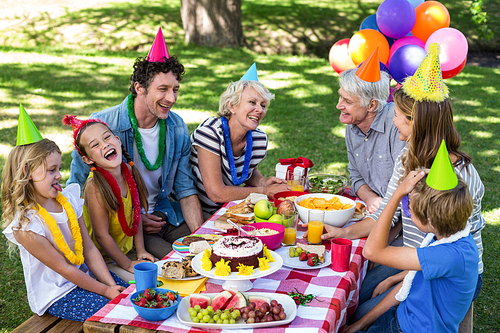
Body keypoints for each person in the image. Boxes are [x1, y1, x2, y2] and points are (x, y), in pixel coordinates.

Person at [329, 44, 485, 322]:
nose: (393, 119)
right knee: (355, 298)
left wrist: (403, 278)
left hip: (441, 270)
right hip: (413, 260)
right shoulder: (406, 155)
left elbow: (451, 248)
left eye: (398, 116)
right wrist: (341, 233)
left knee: (363, 313)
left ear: (416, 122)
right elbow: (384, 214)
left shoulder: (458, 175)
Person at [68, 28, 204, 258]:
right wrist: (132, 221)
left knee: (207, 253)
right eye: (163, 89)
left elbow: (185, 189)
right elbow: (76, 190)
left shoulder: (177, 126)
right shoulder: (102, 127)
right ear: (139, 88)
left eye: (175, 90)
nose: (171, 99)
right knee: (177, 264)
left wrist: (201, 236)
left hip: (164, 215)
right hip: (122, 226)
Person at [2, 107, 126, 322]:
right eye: (52, 170)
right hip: (59, 295)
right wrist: (106, 292)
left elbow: (88, 248)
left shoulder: (67, 200)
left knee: (134, 296)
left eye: (59, 168)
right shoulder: (26, 225)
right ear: (26, 173)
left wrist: (110, 284)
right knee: (116, 314)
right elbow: (65, 269)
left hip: (87, 276)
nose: (59, 175)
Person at [343, 166, 478, 333]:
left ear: (431, 222)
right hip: (400, 318)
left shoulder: (448, 255)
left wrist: (397, 194)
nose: (407, 212)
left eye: (409, 210)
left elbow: (371, 251)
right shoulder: (447, 238)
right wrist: (362, 323)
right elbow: (409, 284)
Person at [64, 115, 156, 282]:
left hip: (128, 252)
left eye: (107, 137)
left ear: (117, 140)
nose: (105, 144)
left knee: (163, 270)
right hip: (104, 259)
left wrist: (141, 250)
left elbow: (136, 215)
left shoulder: (129, 171)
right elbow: (101, 236)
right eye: (95, 145)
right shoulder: (95, 188)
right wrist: (128, 265)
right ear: (87, 159)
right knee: (145, 284)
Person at [190, 64, 289, 218]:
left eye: (263, 105)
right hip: (197, 212)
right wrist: (264, 191)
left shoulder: (258, 138)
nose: (260, 110)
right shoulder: (210, 133)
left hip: (232, 209)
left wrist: (262, 181)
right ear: (232, 106)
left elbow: (245, 170)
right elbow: (216, 193)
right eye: (252, 102)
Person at [337, 48, 405, 213]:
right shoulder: (353, 124)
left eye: (347, 101)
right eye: (340, 97)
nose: (339, 106)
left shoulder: (398, 126)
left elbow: (405, 187)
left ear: (372, 105)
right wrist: (370, 198)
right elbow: (355, 176)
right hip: (377, 210)